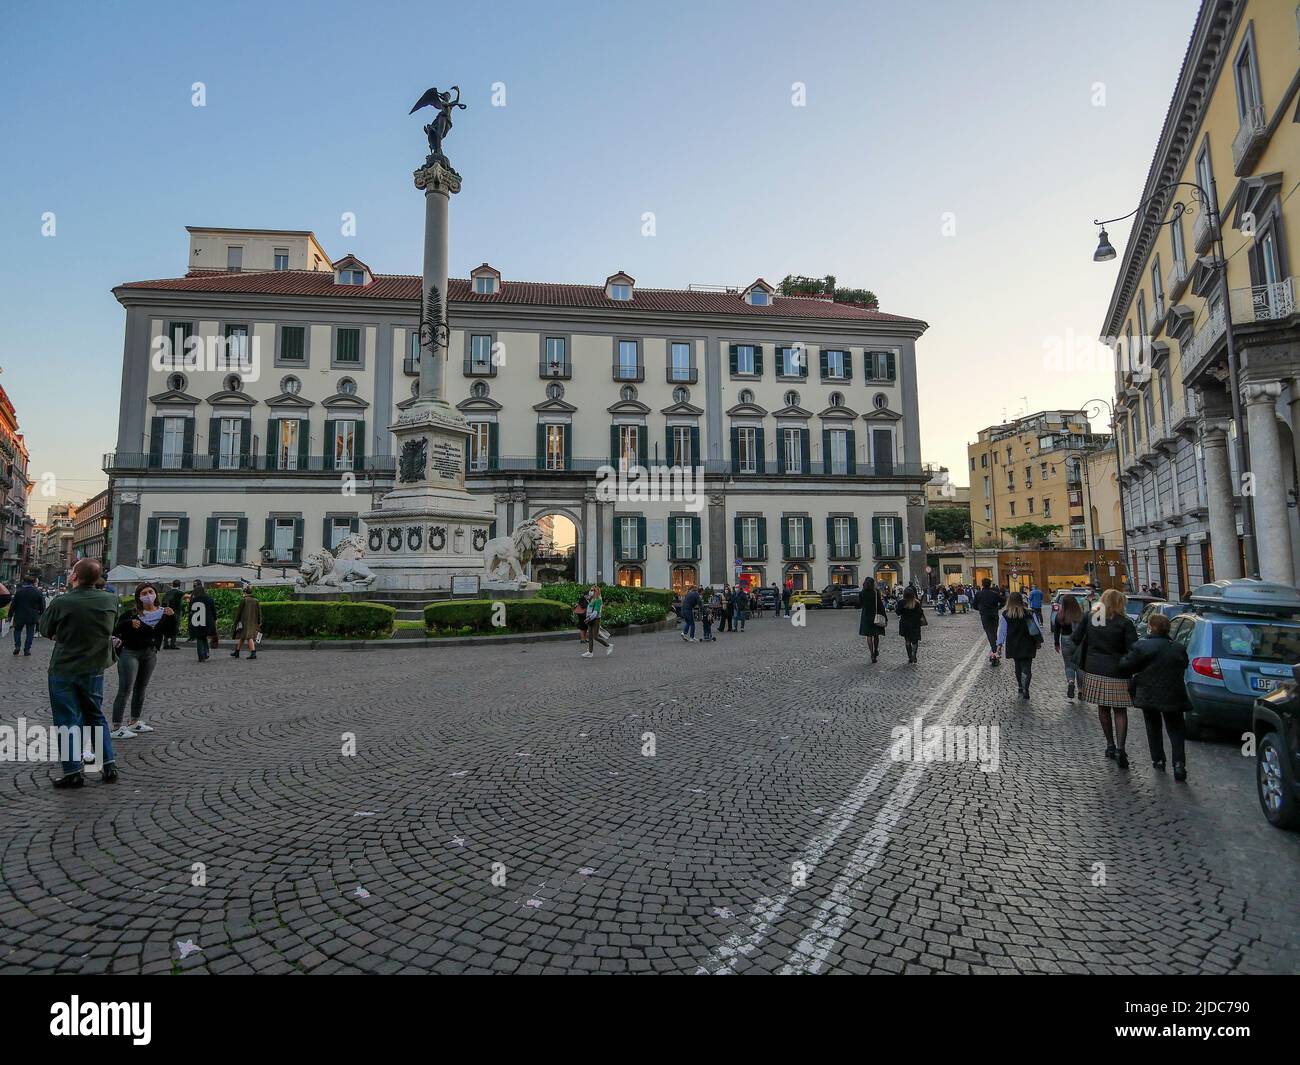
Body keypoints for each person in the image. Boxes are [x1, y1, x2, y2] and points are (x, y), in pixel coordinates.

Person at [36, 559, 120, 787]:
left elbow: (44, 629)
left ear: (74, 576)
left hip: (64, 667)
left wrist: (60, 633)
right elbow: (111, 627)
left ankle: (73, 771)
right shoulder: (111, 600)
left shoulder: (63, 602)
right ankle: (109, 765)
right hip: (94, 668)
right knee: (96, 716)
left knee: (67, 719)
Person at [1072, 588, 1139, 769]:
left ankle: (1109, 745)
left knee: (1103, 709)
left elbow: (1075, 638)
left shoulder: (1092, 618)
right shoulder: (1124, 623)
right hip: (1118, 670)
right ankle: (1121, 748)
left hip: (1095, 669)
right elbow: (1134, 648)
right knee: (1120, 711)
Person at [1118, 612, 1190, 781]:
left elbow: (1126, 665)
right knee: (1176, 730)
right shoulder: (1178, 648)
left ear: (1151, 627)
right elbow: (1184, 664)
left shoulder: (1142, 646)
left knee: (1153, 727)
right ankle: (1179, 764)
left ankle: (1158, 759)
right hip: (1174, 693)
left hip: (1149, 693)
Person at [109, 582, 171, 738]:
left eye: (150, 592)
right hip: (130, 652)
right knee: (125, 688)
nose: (148, 595)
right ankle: (117, 726)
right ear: (139, 597)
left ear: (156, 594)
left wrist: (172, 617)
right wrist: (129, 623)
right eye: (144, 593)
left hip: (150, 653)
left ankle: (134, 721)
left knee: (141, 687)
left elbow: (170, 631)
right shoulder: (132, 614)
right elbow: (116, 629)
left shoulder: (163, 613)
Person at [996, 591, 1043, 699]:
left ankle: (1020, 686)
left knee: (1018, 666)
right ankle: (1026, 687)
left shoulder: (1006, 614)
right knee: (1027, 666)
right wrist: (1038, 641)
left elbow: (1002, 630)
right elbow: (1036, 628)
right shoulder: (1029, 613)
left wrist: (999, 644)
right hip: (1028, 643)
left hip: (1014, 643)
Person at [1052, 594, 1085, 700]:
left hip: (1065, 640)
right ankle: (1081, 691)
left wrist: (1056, 643)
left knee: (1068, 665)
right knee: (1080, 666)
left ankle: (1071, 682)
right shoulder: (1081, 615)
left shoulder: (1060, 616)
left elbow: (1056, 630)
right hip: (1079, 641)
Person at [9, 574, 45, 657]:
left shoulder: (19, 592)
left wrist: (10, 615)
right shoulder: (38, 592)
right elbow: (42, 605)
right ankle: (27, 649)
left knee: (17, 631)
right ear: (34, 583)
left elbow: (13, 605)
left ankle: (17, 646)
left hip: (19, 616)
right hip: (32, 616)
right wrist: (40, 613)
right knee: (30, 633)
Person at [972, 578, 1004, 666]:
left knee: (989, 633)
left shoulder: (979, 594)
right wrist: (999, 607)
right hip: (994, 614)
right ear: (990, 585)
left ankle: (994, 651)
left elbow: (974, 605)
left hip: (985, 615)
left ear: (982, 584)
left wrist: (980, 609)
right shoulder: (994, 594)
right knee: (993, 632)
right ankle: (996, 649)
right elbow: (1003, 600)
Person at [895, 586, 927, 664]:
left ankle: (910, 656)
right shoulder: (916, 602)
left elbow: (898, 612)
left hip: (905, 624)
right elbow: (920, 613)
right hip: (915, 624)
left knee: (907, 641)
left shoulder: (901, 602)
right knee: (915, 641)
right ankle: (914, 654)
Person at [859, 577, 888, 664]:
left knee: (868, 636)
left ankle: (871, 653)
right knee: (876, 635)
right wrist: (885, 617)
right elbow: (880, 605)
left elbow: (860, 604)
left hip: (866, 616)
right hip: (875, 615)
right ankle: (876, 650)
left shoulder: (862, 593)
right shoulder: (876, 592)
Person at [189, 580, 218, 661]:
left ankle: (201, 655)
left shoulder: (193, 600)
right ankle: (205, 653)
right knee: (204, 636)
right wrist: (215, 620)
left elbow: (190, 611)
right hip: (207, 621)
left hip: (196, 621)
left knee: (199, 638)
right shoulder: (209, 599)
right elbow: (213, 611)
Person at [230, 585, 261, 659]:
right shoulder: (256, 601)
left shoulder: (243, 600)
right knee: (243, 637)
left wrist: (236, 621)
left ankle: (253, 653)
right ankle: (237, 651)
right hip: (253, 622)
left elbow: (239, 612)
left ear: (245, 592)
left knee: (248, 637)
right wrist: (259, 622)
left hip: (244, 622)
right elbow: (259, 613)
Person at [581, 584, 612, 657]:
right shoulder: (592, 599)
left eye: (592, 590)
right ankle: (590, 652)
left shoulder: (598, 600)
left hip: (595, 620)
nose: (590, 591)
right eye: (590, 590)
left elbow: (595, 612)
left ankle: (608, 645)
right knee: (590, 636)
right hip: (590, 619)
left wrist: (588, 619)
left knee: (595, 636)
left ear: (596, 591)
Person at [161, 580, 184, 649]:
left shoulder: (167, 593)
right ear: (179, 585)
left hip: (167, 612)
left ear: (172, 584)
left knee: (167, 627)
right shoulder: (180, 593)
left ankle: (165, 644)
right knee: (175, 627)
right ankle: (173, 644)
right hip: (176, 612)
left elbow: (163, 603)